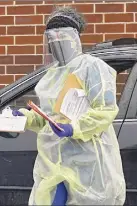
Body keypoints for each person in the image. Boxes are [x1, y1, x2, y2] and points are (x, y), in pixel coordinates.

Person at [12, 6, 126, 206]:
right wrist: (25, 117)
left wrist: (75, 128)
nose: (56, 43)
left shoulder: (93, 68)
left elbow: (105, 110)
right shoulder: (51, 76)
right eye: (51, 39)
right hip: (54, 162)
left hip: (88, 160)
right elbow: (49, 118)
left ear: (74, 38)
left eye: (61, 37)